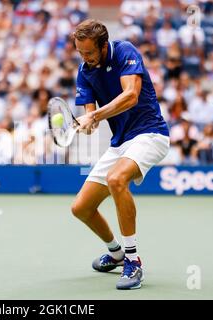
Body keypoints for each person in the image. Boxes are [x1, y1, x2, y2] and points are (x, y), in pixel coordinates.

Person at [71, 19, 170, 290]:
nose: (85, 58)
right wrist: (87, 123)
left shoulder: (125, 51)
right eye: (80, 53)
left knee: (117, 180)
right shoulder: (84, 72)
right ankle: (115, 253)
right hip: (120, 143)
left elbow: (131, 96)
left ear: (103, 46)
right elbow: (91, 121)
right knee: (81, 208)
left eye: (89, 52)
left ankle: (132, 260)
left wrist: (94, 114)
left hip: (150, 134)